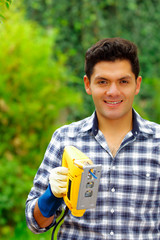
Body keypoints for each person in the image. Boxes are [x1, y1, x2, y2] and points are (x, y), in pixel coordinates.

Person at [25, 37, 160, 239]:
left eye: (123, 81)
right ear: (88, 84)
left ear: (137, 84)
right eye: (103, 82)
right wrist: (51, 196)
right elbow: (36, 223)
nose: (113, 91)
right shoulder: (65, 139)